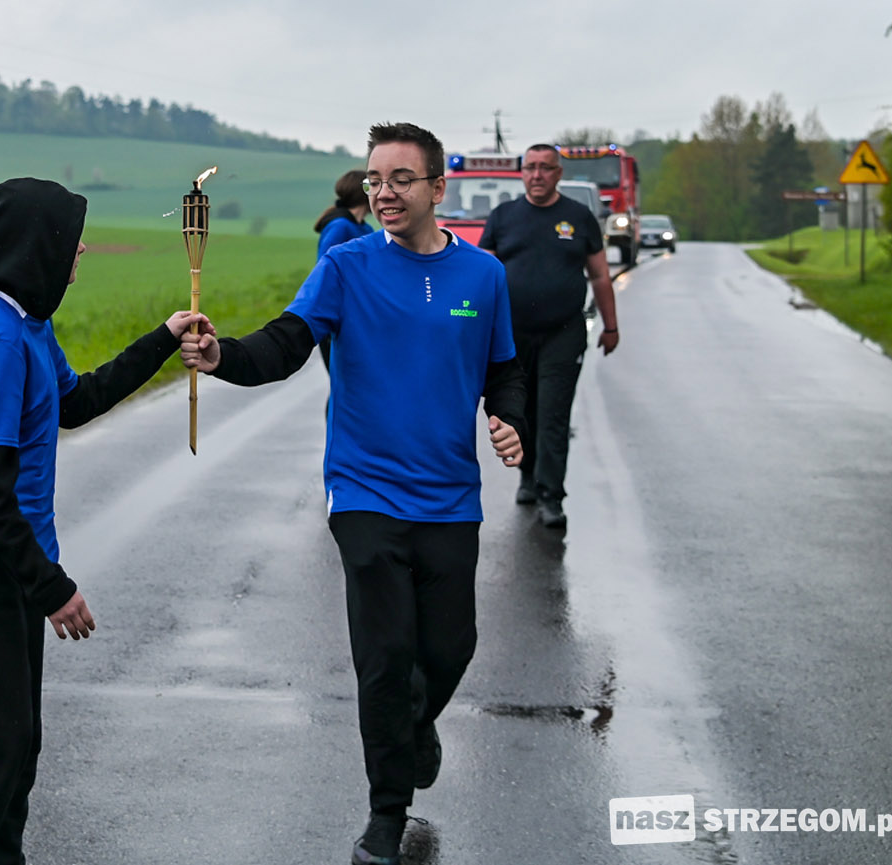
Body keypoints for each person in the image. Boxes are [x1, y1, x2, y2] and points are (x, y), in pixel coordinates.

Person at [180, 123, 526, 865]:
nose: (384, 192)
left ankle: (416, 721)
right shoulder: (346, 265)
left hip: (451, 497)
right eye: (375, 179)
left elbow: (504, 368)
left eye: (400, 178)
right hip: (365, 490)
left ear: (438, 187)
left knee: (451, 647)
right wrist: (221, 355)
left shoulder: (484, 276)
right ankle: (385, 814)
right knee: (385, 655)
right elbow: (286, 342)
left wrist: (508, 417)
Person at [0, 177, 211, 865]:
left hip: (3, 544)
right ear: (35, 246)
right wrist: (52, 588)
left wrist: (163, 340)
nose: (79, 249)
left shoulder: (27, 323)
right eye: (70, 238)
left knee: (18, 742)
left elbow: (76, 401)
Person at [477, 143, 619, 529]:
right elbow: (482, 273)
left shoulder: (579, 217)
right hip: (513, 335)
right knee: (523, 411)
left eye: (545, 168)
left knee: (553, 414)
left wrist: (610, 326)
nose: (537, 174)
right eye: (530, 167)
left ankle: (551, 495)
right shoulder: (504, 217)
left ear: (559, 174)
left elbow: (599, 275)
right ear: (522, 173)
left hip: (563, 333)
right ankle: (528, 476)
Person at [313, 169, 373, 369]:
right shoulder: (340, 227)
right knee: (343, 381)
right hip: (338, 316)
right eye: (374, 186)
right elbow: (325, 271)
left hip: (358, 314)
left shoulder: (365, 228)